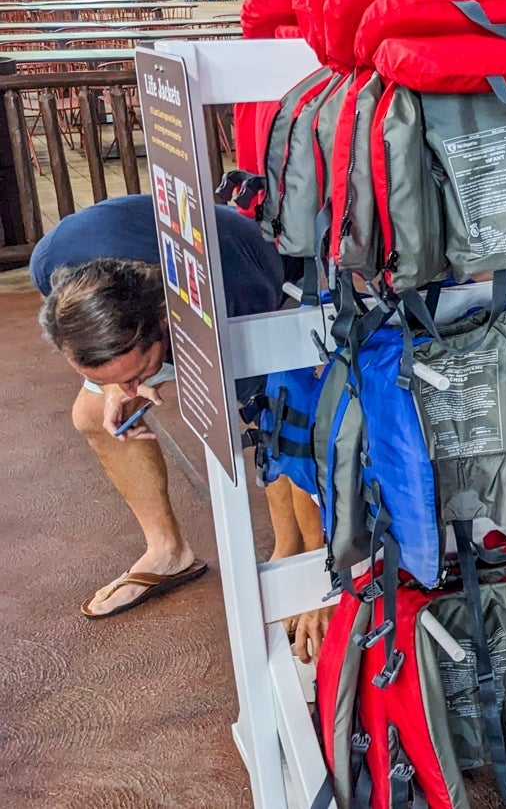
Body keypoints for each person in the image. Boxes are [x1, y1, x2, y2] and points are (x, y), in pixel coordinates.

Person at [32, 195, 329, 659]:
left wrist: (314, 579)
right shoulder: (51, 265)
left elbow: (287, 434)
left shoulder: (235, 294)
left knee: (283, 428)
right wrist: (113, 388)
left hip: (264, 272)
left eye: (136, 374)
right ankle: (168, 552)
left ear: (161, 329)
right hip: (152, 290)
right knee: (92, 416)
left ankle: (306, 558)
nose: (131, 386)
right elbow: (105, 354)